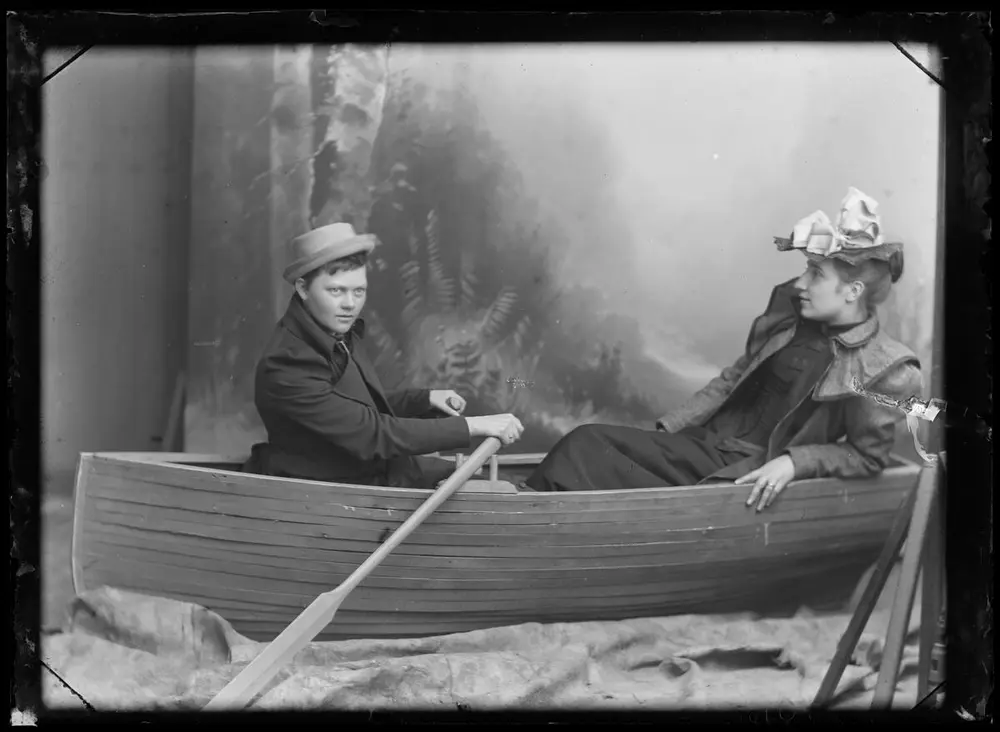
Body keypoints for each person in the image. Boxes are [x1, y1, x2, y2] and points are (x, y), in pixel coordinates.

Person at [522, 187, 924, 511]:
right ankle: (529, 511)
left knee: (586, 445)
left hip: (741, 471)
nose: (800, 283)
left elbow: (866, 457)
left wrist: (793, 462)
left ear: (853, 291)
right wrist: (667, 431)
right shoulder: (790, 324)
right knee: (588, 443)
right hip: (704, 446)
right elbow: (730, 381)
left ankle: (528, 517)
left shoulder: (885, 367)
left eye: (815, 273)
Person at [244, 222, 524, 489]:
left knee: (503, 485)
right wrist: (474, 425)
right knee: (495, 491)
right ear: (303, 288)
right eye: (336, 291)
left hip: (372, 471)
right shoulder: (287, 363)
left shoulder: (331, 331)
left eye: (358, 291)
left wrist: (422, 399)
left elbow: (353, 408)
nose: (350, 305)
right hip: (339, 494)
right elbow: (371, 434)